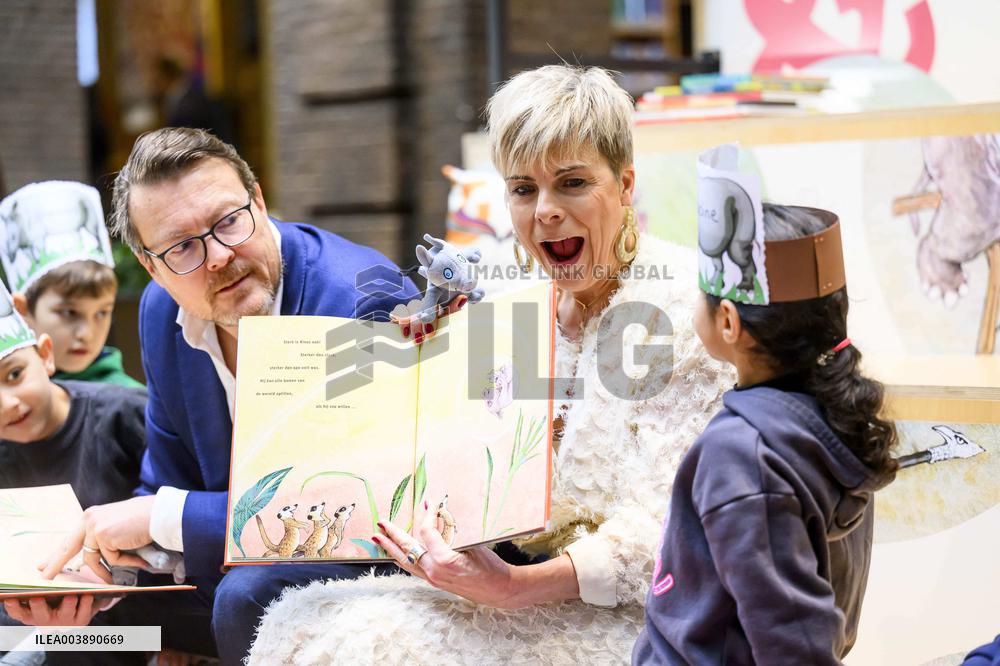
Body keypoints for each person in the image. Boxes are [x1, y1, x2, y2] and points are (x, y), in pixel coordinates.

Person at [248, 65, 733, 664]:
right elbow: (474, 490)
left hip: (652, 621)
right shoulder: (510, 314)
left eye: (573, 183)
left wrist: (509, 588)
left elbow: (669, 535)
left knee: (361, 647)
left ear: (626, 184)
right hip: (526, 594)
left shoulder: (688, 311)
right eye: (524, 189)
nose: (545, 211)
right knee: (299, 620)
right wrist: (423, 374)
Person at [14, 127, 423, 664]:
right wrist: (108, 568)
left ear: (258, 200)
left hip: (370, 565)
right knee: (85, 609)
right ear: (150, 267)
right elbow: (167, 481)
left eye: (228, 222)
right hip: (231, 570)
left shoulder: (361, 299)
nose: (217, 257)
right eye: (182, 245)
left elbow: (361, 507)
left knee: (251, 597)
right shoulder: (162, 314)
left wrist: (162, 519)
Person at [632, 196, 898, 664]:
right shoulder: (834, 419)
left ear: (730, 322)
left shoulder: (741, 455)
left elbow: (795, 645)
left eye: (703, 295)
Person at [0, 284, 146, 664]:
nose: (7, 404)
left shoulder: (127, 415)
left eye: (14, 375)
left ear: (45, 356)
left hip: (141, 633)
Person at [0, 181, 143, 388]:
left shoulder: (130, 403)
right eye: (69, 312)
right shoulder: (14, 402)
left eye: (102, 313)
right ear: (23, 310)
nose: (87, 333)